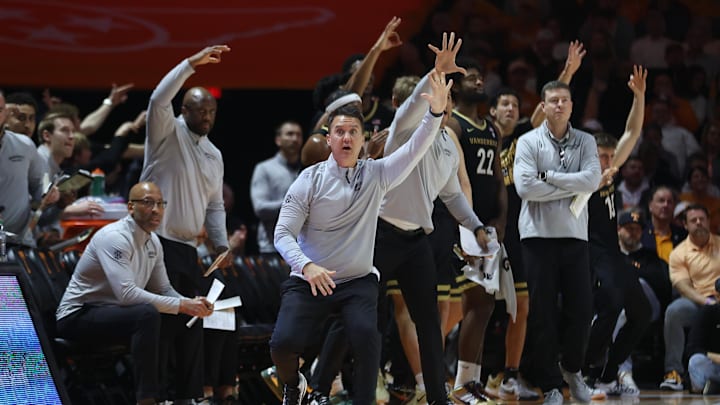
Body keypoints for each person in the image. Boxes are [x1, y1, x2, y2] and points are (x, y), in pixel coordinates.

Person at [269, 65, 450, 405]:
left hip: (356, 282)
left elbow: (416, 148)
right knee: (281, 344)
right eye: (340, 132)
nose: (347, 138)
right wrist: (307, 266)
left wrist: (436, 112)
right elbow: (282, 233)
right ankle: (294, 385)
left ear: (365, 139)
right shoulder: (309, 179)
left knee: (367, 336)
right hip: (310, 278)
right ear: (329, 139)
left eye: (354, 131)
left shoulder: (377, 174)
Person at [55, 181, 214, 405]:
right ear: (131, 207)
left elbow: (164, 289)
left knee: (189, 318)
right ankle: (147, 399)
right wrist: (182, 305)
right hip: (78, 315)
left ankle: (185, 398)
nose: (156, 209)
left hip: (117, 314)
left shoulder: (154, 242)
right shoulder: (115, 237)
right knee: (146, 315)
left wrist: (190, 303)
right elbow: (127, 295)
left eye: (160, 204)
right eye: (148, 203)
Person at [139, 45, 232, 402]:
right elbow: (157, 98)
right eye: (200, 109)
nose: (207, 115)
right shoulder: (165, 131)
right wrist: (190, 65)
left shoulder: (214, 153)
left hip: (189, 248)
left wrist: (221, 245)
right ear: (184, 110)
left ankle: (191, 395)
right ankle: (155, 395)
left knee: (195, 324)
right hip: (156, 242)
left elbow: (215, 205)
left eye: (212, 110)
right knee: (161, 326)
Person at [513, 80, 603, 405]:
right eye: (553, 101)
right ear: (543, 106)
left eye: (565, 100)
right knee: (542, 315)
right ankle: (551, 386)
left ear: (572, 105)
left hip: (575, 237)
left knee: (582, 310)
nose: (560, 106)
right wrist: (573, 184)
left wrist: (548, 178)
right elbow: (524, 188)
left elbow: (592, 180)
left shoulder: (586, 141)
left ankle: (572, 370)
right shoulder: (527, 141)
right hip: (537, 238)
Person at [582, 65, 652, 398]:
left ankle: (610, 375)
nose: (609, 160)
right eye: (602, 155)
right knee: (610, 304)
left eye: (611, 156)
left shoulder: (610, 172)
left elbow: (632, 132)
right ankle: (582, 372)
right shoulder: (580, 179)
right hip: (588, 253)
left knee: (642, 313)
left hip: (612, 254)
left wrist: (639, 96)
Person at [444, 55, 507, 403]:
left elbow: (498, 181)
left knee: (483, 307)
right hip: (461, 226)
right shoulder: (453, 126)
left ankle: (470, 382)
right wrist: (465, 228)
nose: (479, 81)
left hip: (486, 229)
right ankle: (455, 384)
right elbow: (453, 181)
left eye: (481, 77)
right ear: (455, 86)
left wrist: (500, 224)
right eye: (471, 77)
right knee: (470, 305)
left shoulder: (491, 129)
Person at [662, 203, 720, 391]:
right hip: (697, 301)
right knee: (675, 311)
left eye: (702, 219)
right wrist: (708, 303)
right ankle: (674, 372)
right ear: (685, 225)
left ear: (709, 221)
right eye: (693, 220)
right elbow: (682, 286)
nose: (698, 223)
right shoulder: (679, 253)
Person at [0, 89, 59, 248]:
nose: (27, 125)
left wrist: (49, 192)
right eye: (21, 118)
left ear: (5, 112)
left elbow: (41, 183)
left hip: (18, 242)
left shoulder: (25, 145)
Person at [250, 120, 303, 256]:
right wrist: (294, 204)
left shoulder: (307, 171)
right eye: (290, 134)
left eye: (298, 135)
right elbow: (260, 208)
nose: (295, 139)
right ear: (278, 140)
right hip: (272, 248)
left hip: (303, 248)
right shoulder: (264, 169)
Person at [686, 277, 720, 395]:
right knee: (696, 361)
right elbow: (692, 349)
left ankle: (714, 387)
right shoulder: (707, 313)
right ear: (718, 296)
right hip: (714, 365)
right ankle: (710, 386)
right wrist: (716, 357)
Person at [641, 185, 687, 264]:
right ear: (650, 206)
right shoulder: (641, 232)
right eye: (661, 201)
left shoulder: (682, 235)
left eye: (669, 202)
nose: (665, 205)